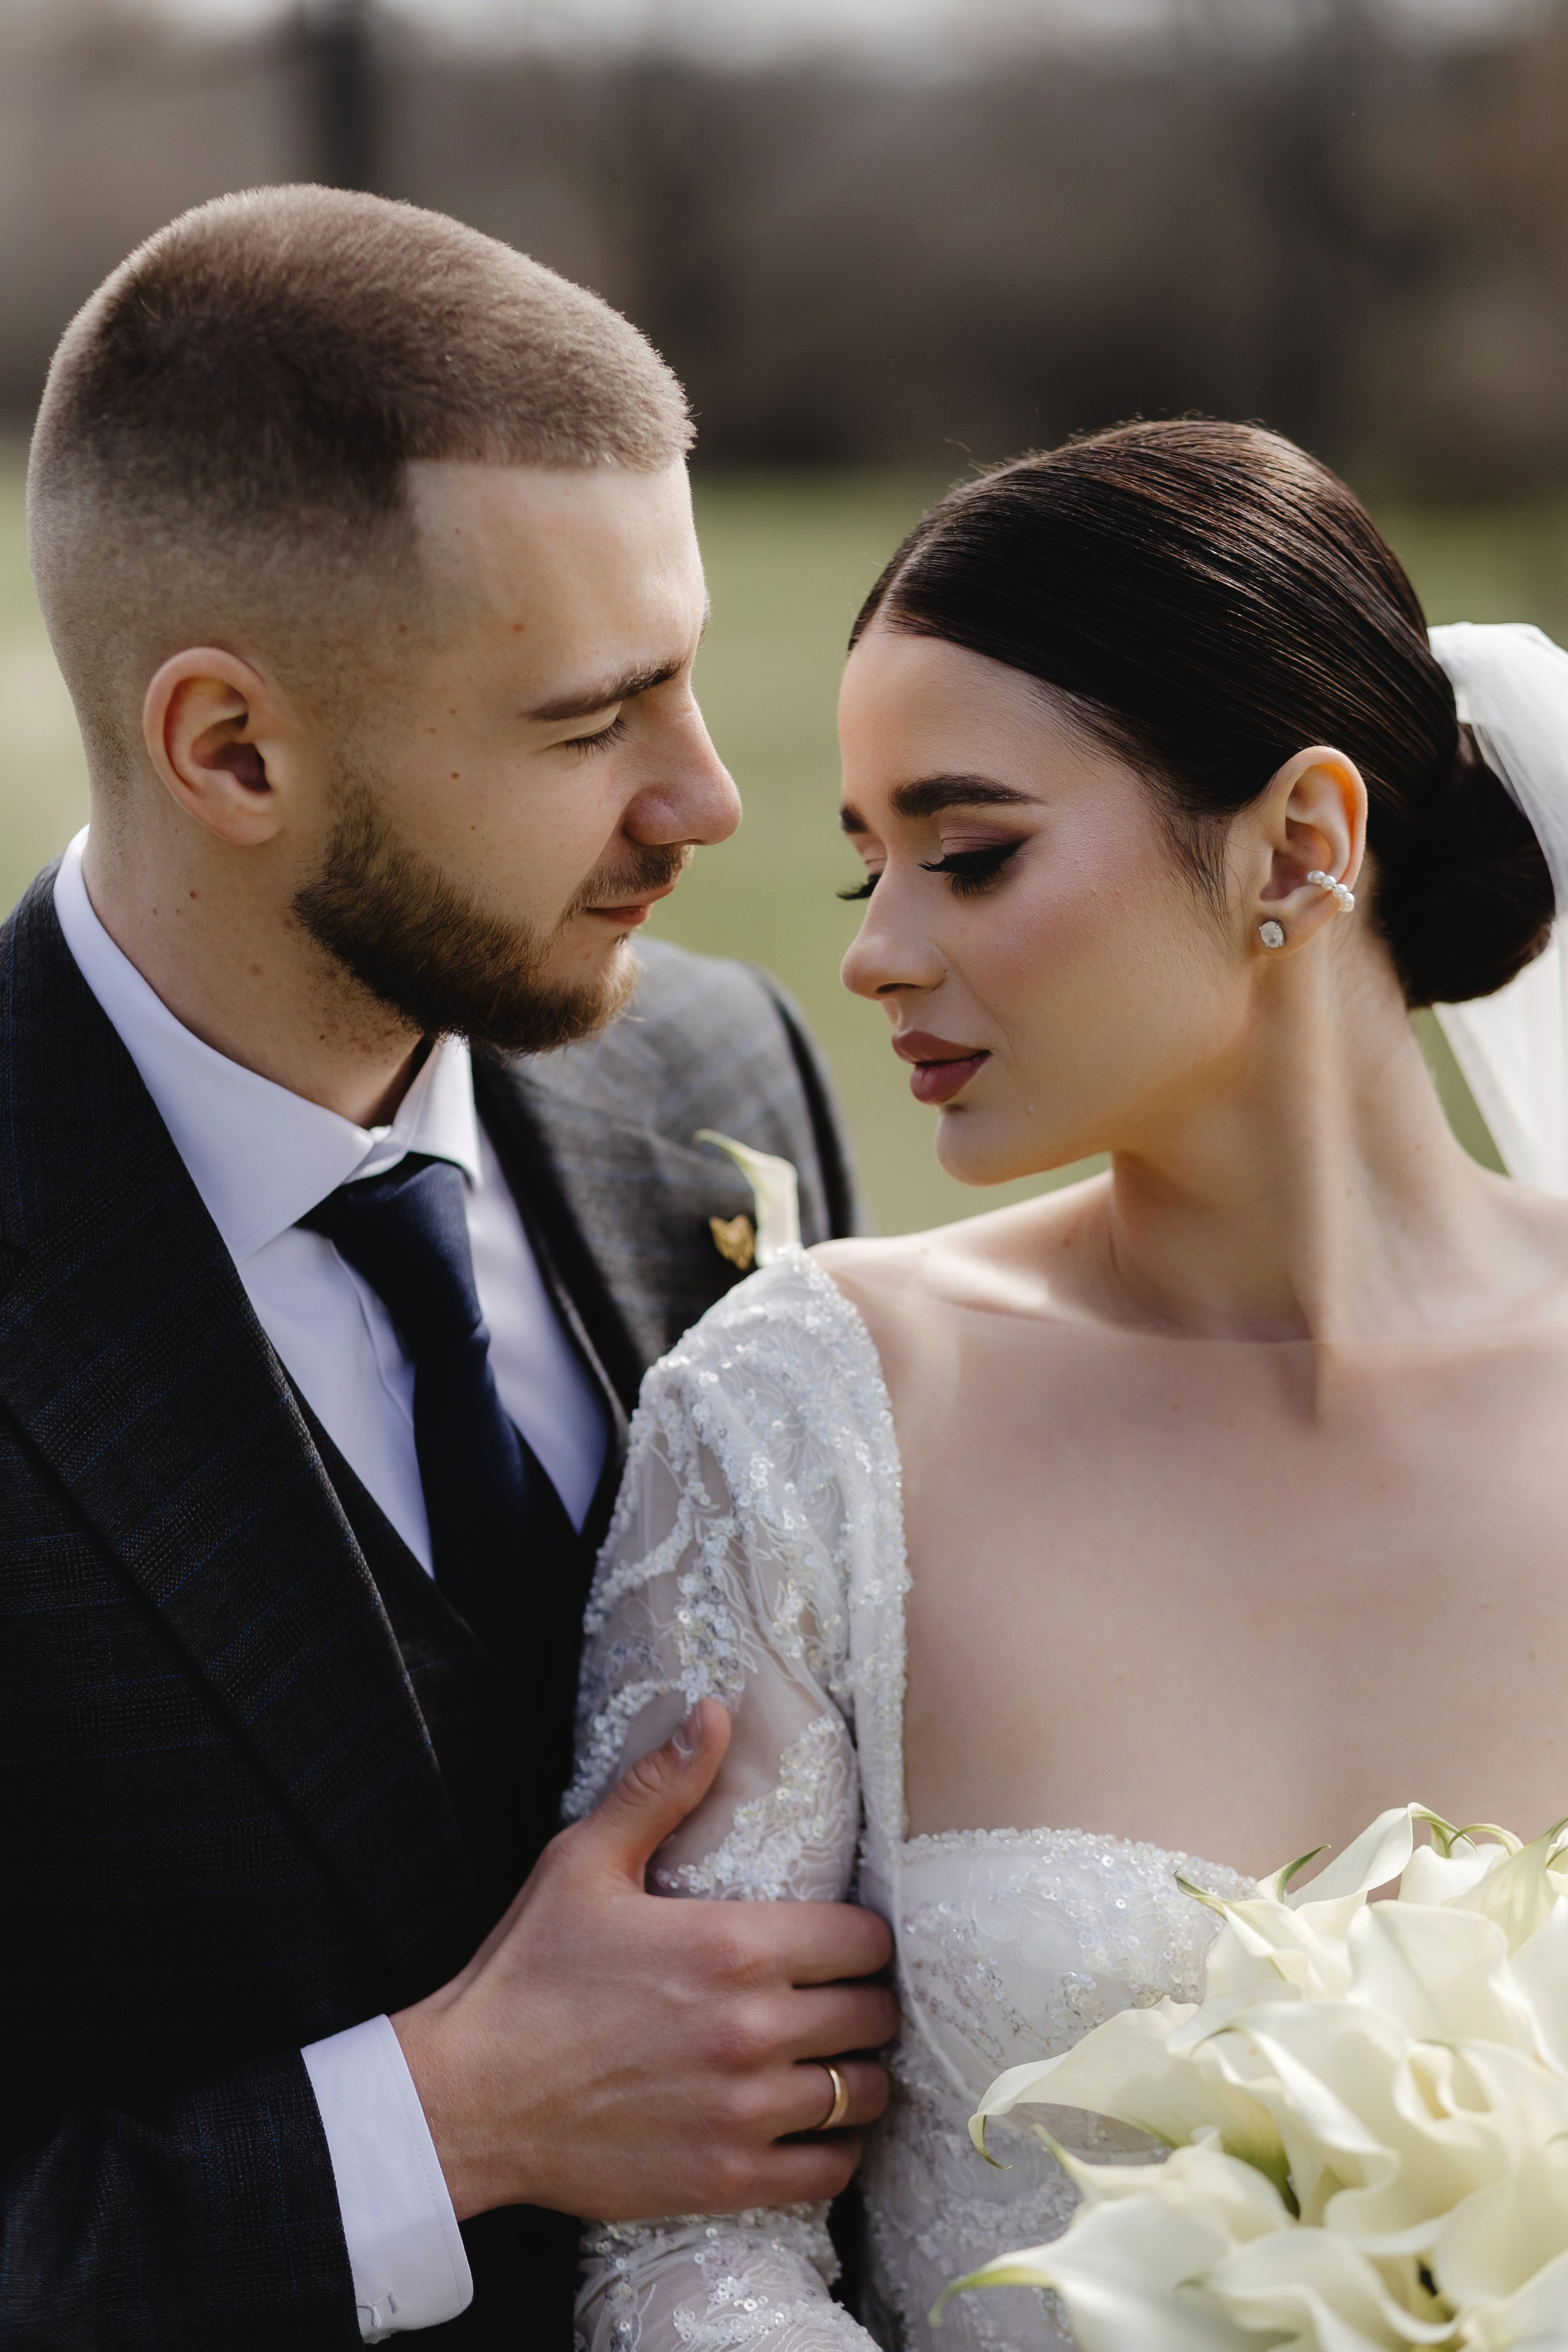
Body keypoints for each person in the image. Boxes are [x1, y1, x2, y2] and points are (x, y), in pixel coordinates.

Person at [0, 185, 900, 2350]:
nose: (706, 801)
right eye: (592, 723)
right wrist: (448, 2121)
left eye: (687, 677)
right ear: (232, 749)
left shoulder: (730, 1078)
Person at [569, 419, 1568, 2351]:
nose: (876, 954)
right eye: (869, 870)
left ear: (1303, 845)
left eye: (969, 856)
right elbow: (687, 2253)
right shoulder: (811, 1420)